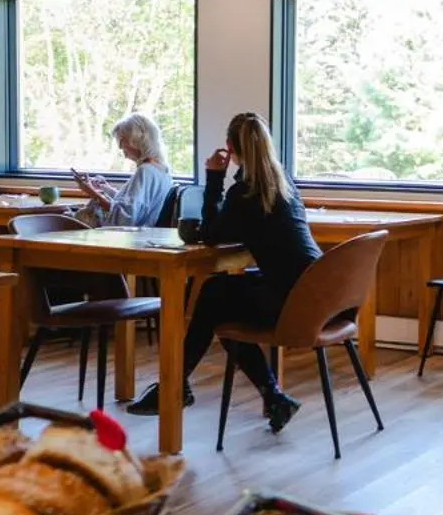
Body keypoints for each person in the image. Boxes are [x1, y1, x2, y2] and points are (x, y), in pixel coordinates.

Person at [129, 112, 320, 430]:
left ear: (230, 147)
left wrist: (213, 177)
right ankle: (272, 398)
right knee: (219, 300)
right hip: (318, 290)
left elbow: (213, 235)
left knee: (214, 298)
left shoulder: (245, 192)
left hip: (292, 301)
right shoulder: (284, 184)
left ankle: (174, 386)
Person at [79, 113, 175, 228]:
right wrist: (106, 189)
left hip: (133, 239)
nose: (119, 147)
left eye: (121, 140)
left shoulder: (145, 172)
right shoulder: (161, 170)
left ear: (136, 140)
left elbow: (125, 218)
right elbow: (134, 205)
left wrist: (92, 193)